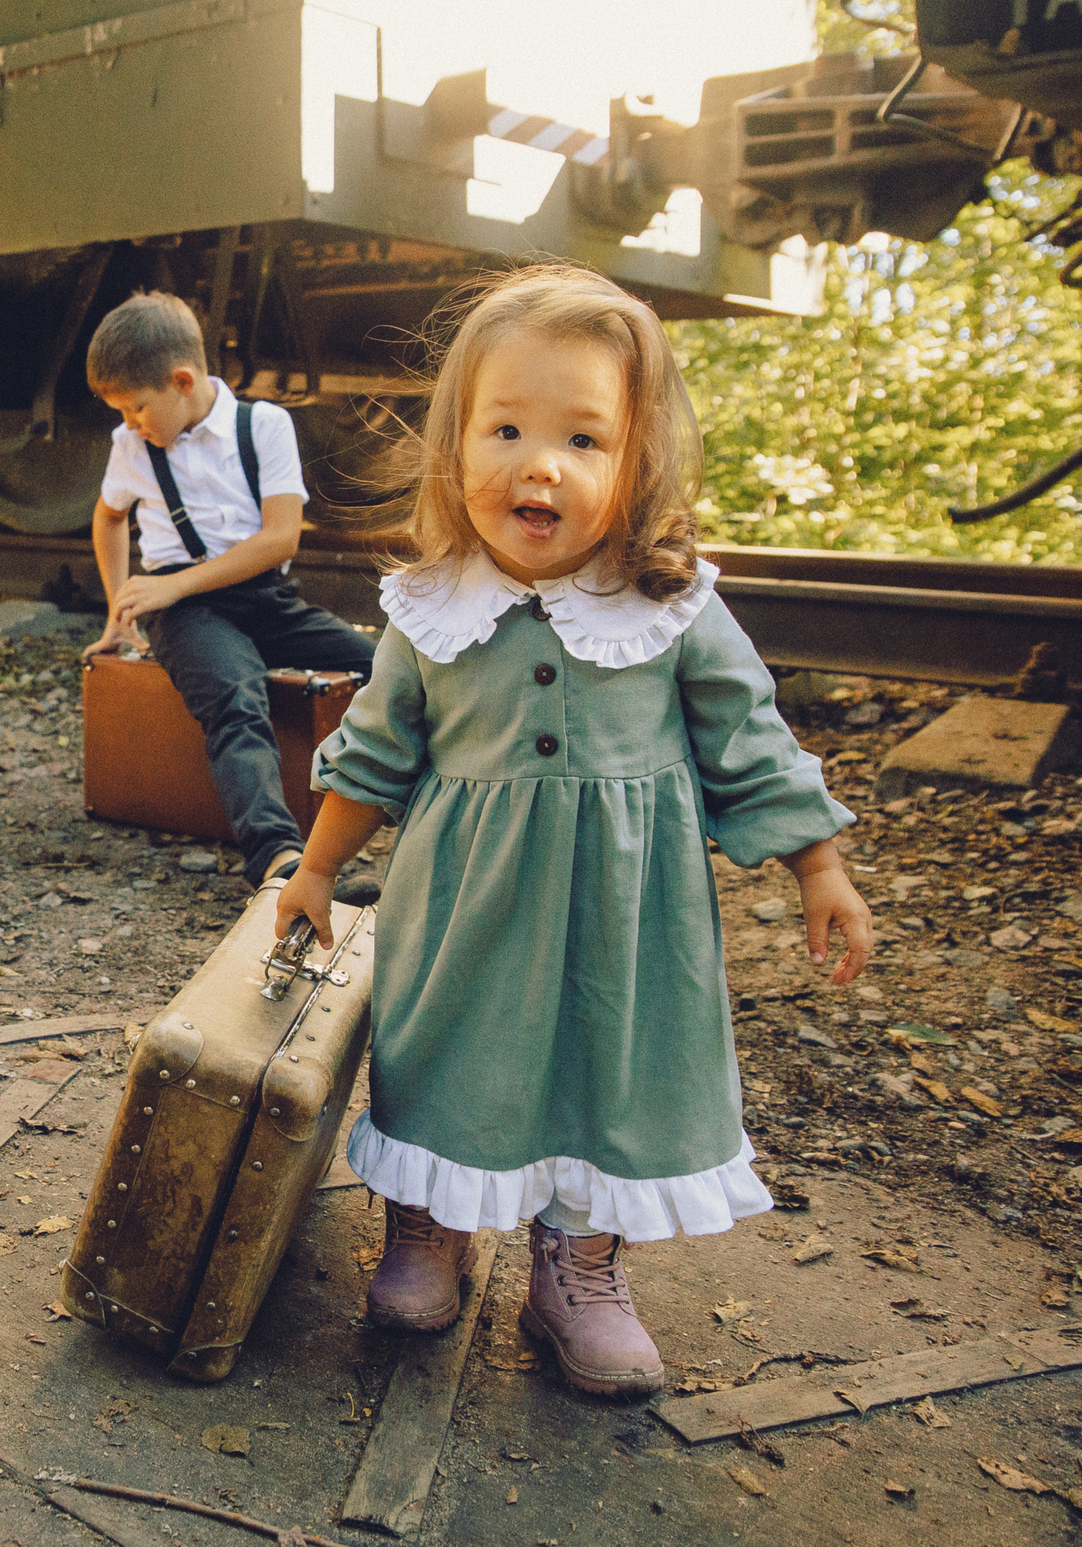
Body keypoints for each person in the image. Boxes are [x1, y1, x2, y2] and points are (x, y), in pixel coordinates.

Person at [273, 263, 872, 1397]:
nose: (538, 462)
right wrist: (314, 870)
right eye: (505, 428)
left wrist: (819, 865)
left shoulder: (668, 602)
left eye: (583, 440)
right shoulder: (432, 607)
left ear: (636, 461)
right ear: (455, 446)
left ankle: (580, 1270)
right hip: (465, 905)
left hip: (626, 917)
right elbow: (374, 751)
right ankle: (426, 1231)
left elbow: (748, 737)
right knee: (443, 1048)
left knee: (615, 1069)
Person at [82, 290, 378, 886]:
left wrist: (172, 586)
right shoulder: (131, 447)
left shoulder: (264, 425)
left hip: (262, 597)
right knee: (237, 702)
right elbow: (109, 517)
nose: (129, 424)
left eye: (137, 408)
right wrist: (121, 611)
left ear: (183, 380)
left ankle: (420, 802)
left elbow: (280, 539)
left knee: (382, 665)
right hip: (186, 614)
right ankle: (279, 858)